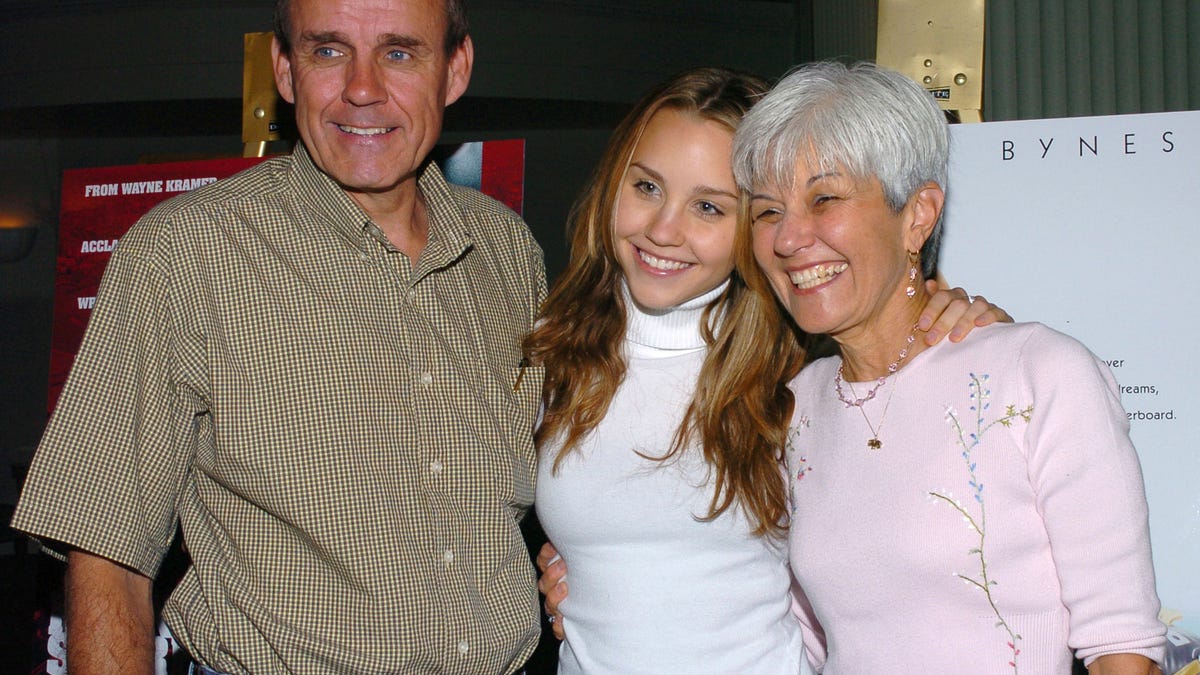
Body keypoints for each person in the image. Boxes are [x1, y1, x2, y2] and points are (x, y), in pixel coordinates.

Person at [11, 0, 547, 672]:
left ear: (456, 69)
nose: (362, 87)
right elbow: (108, 556)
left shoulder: (507, 251)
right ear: (285, 70)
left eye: (400, 52)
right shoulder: (185, 253)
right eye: (328, 51)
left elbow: (551, 483)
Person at [528, 66, 1007, 673]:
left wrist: (968, 329)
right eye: (646, 188)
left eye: (708, 206)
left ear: (757, 224)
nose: (662, 230)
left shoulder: (804, 369)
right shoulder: (551, 351)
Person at [730, 60, 1165, 673]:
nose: (788, 238)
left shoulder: (1039, 375)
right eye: (768, 211)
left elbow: (1123, 645)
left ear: (918, 213)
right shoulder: (795, 408)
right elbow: (805, 641)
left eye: (824, 198)